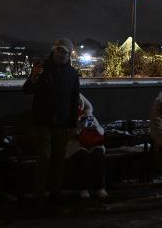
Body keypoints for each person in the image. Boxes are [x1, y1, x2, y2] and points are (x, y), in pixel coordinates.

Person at [23, 38, 80, 201]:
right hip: (43, 123)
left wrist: (72, 124)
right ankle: (39, 194)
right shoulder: (42, 69)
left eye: (64, 51)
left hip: (62, 124)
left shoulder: (72, 74)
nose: (60, 54)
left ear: (69, 54)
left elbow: (74, 100)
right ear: (53, 51)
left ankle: (55, 192)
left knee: (58, 159)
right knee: (44, 159)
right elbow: (27, 90)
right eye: (58, 50)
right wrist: (33, 77)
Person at [65, 93, 108, 199]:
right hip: (76, 144)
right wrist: (76, 132)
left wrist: (92, 127)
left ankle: (100, 188)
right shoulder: (66, 117)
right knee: (82, 158)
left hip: (92, 143)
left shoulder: (88, 115)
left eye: (80, 105)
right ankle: (83, 188)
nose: (79, 107)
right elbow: (65, 136)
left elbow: (101, 131)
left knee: (98, 156)